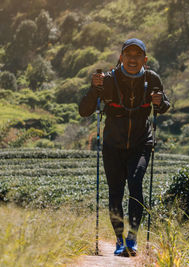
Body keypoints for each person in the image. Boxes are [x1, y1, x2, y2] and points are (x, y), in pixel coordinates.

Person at [79, 38, 170, 256]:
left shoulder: (152, 79)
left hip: (141, 143)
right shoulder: (108, 80)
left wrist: (160, 102)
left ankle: (132, 238)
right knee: (116, 193)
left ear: (144, 60)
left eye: (137, 55)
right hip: (113, 145)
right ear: (121, 58)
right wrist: (95, 88)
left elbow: (164, 105)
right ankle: (119, 240)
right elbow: (84, 110)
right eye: (128, 55)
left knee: (136, 184)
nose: (132, 59)